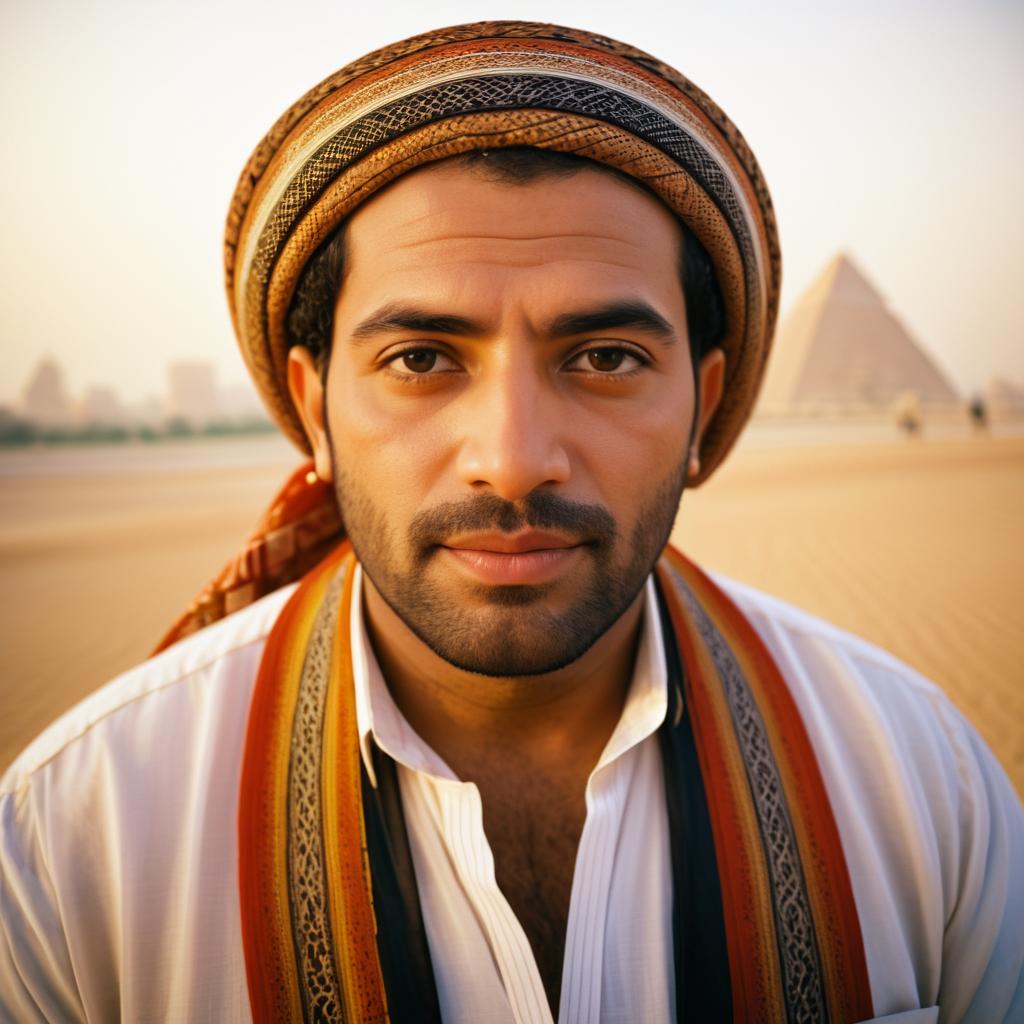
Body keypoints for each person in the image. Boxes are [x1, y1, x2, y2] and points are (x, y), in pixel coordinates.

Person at [1, 21, 1021, 1024]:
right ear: (314, 408)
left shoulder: (921, 786)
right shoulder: (75, 840)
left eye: (606, 357)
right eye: (421, 359)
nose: (517, 456)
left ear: (704, 410)